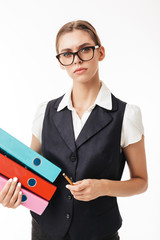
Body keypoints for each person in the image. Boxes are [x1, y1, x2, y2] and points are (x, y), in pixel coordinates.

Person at [0, 20, 148, 240]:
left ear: (101, 52)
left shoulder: (127, 115)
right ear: (61, 62)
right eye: (67, 54)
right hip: (45, 230)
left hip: (99, 232)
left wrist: (102, 187)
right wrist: (14, 195)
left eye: (85, 49)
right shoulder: (45, 112)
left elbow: (141, 182)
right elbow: (28, 171)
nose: (77, 59)